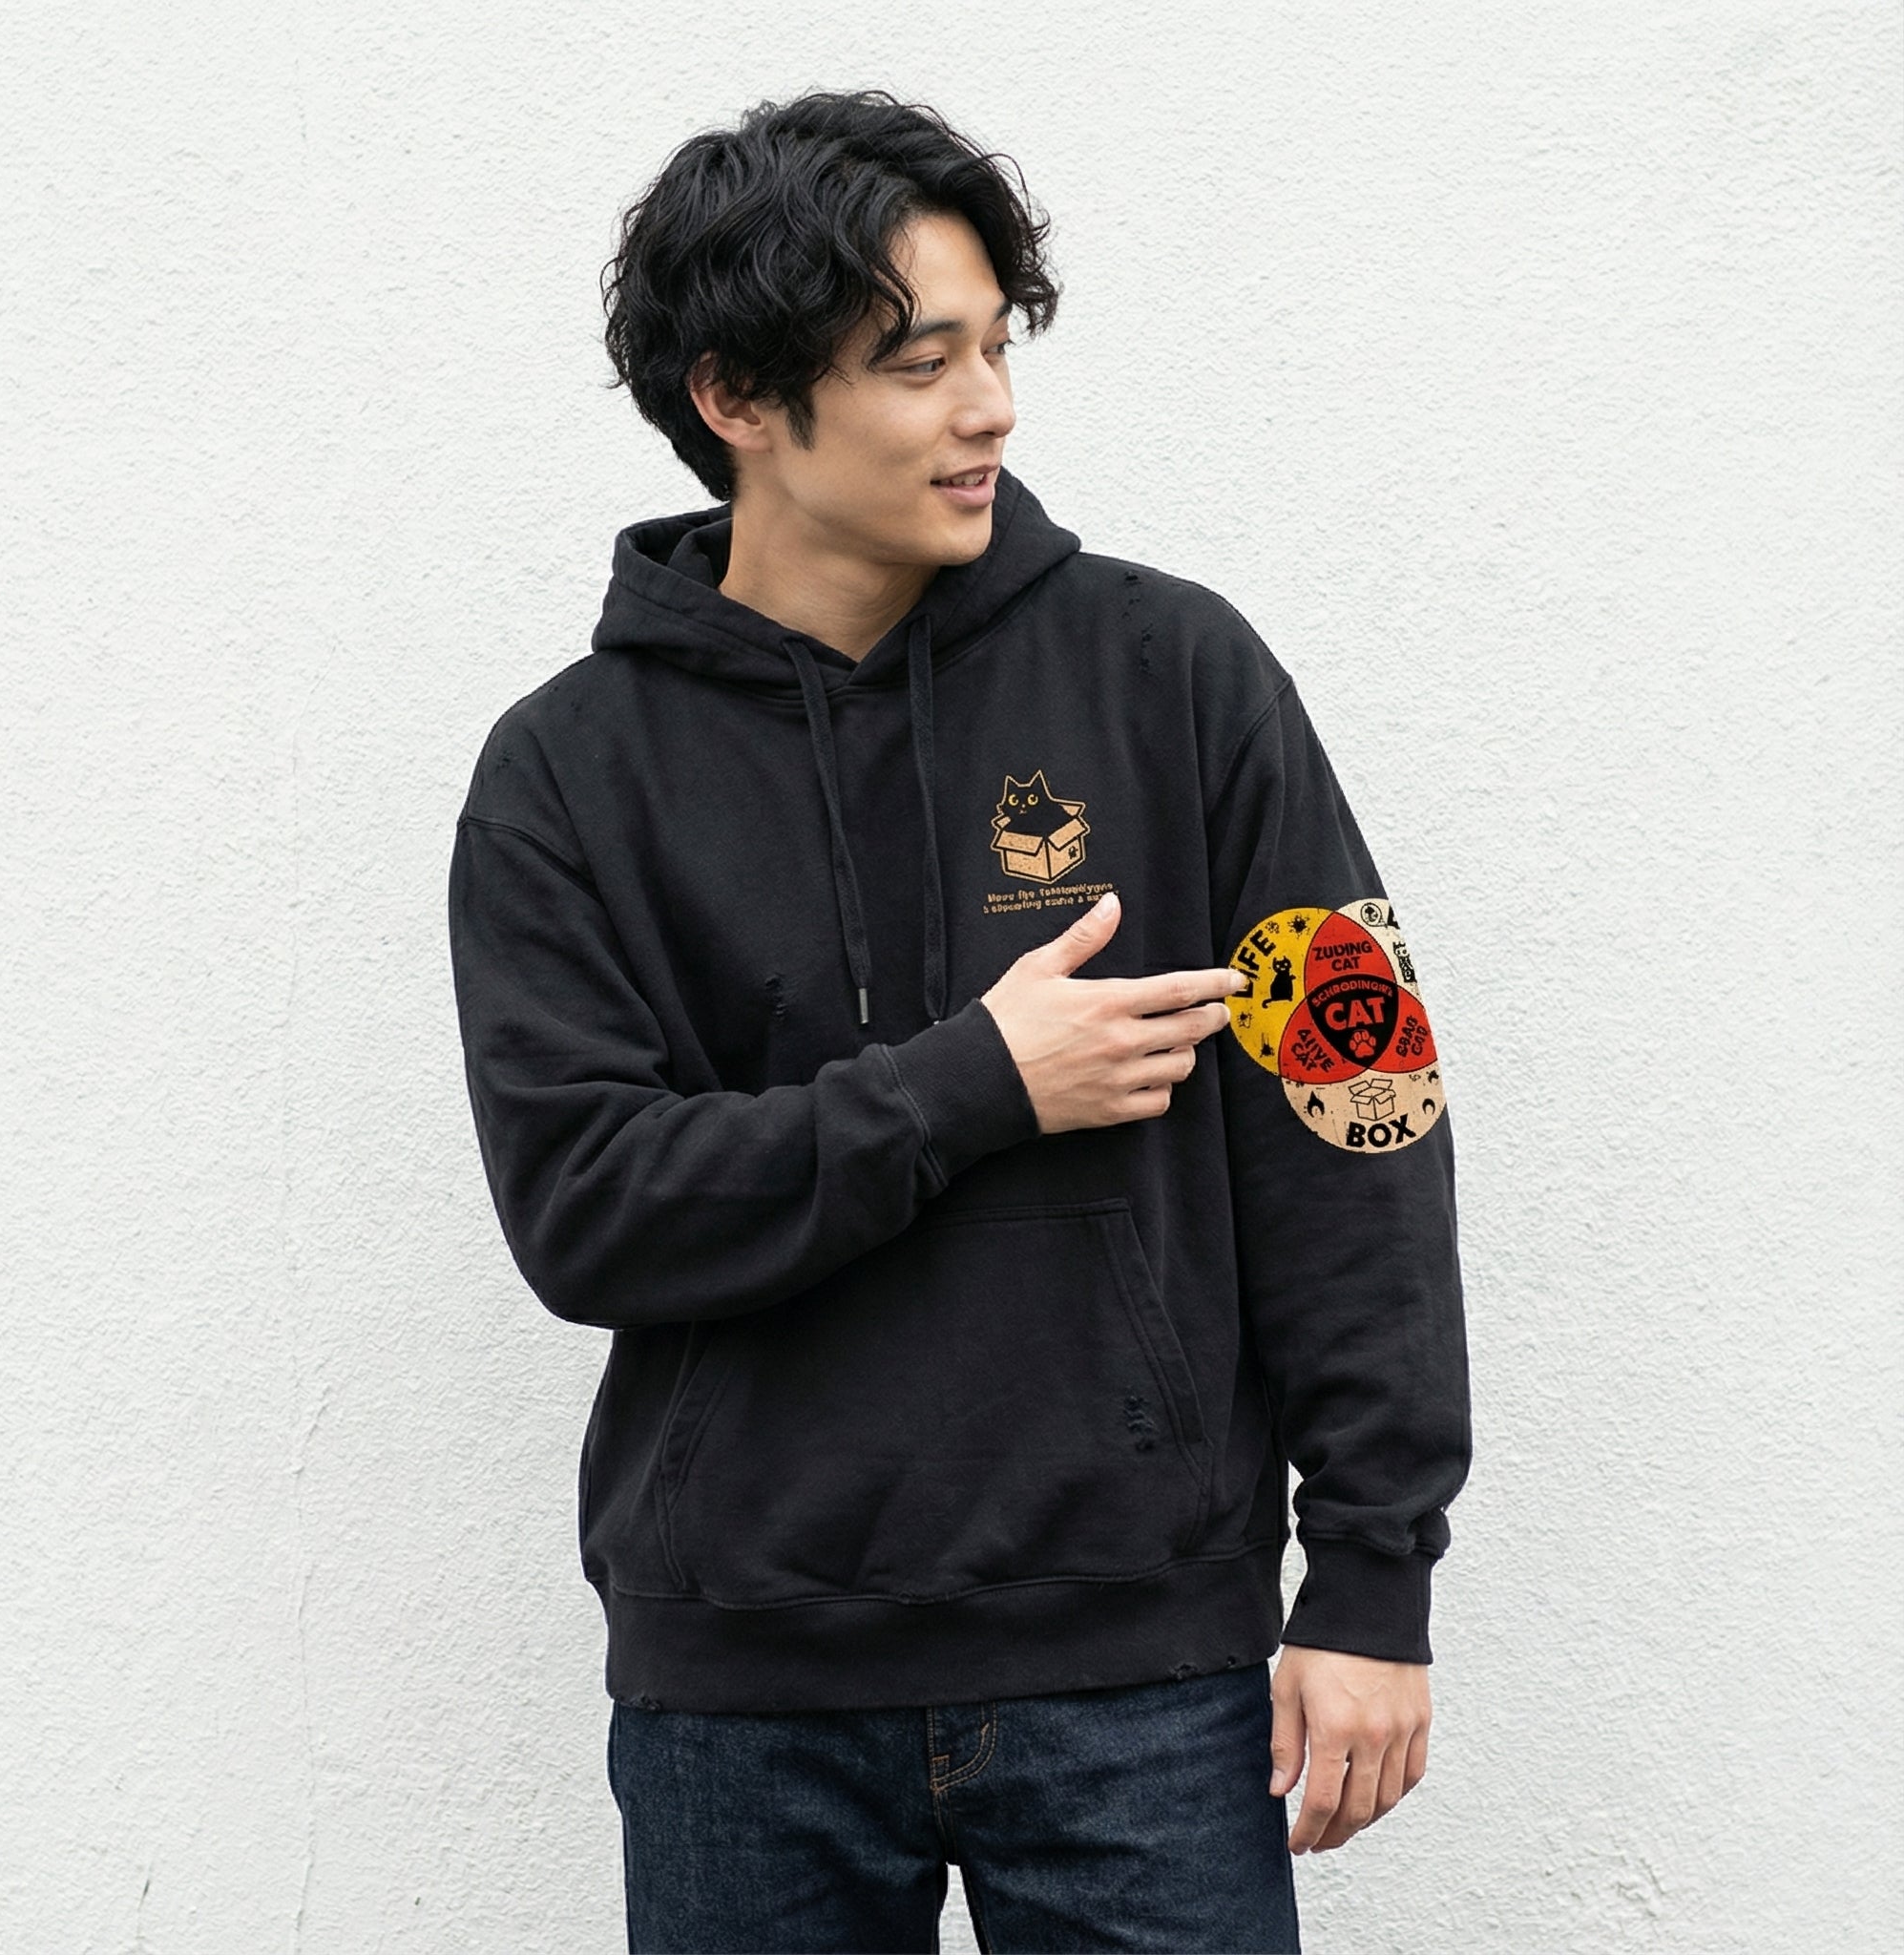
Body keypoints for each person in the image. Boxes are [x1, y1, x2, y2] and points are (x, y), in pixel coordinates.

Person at [449, 87, 1472, 1954]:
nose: (989, 405)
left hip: (1143, 1679)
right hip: (743, 1700)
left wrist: (1373, 1574)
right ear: (736, 398)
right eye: (921, 363)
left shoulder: (1180, 677)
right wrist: (972, 1083)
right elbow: (586, 1211)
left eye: (996, 347)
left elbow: (1359, 1106)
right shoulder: (567, 776)